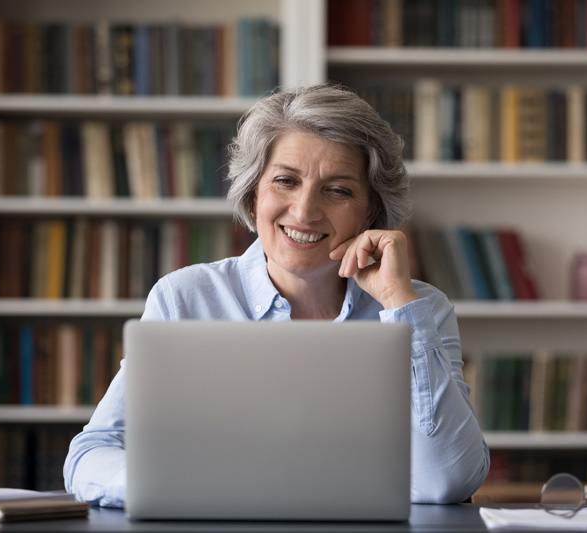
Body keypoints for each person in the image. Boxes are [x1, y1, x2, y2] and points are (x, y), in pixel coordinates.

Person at [63, 84, 490, 507]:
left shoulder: (420, 308)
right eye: (286, 181)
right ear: (253, 194)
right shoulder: (185, 300)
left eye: (338, 190)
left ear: (371, 210)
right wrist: (178, 485)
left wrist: (399, 303)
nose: (305, 211)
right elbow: (89, 456)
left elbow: (448, 479)